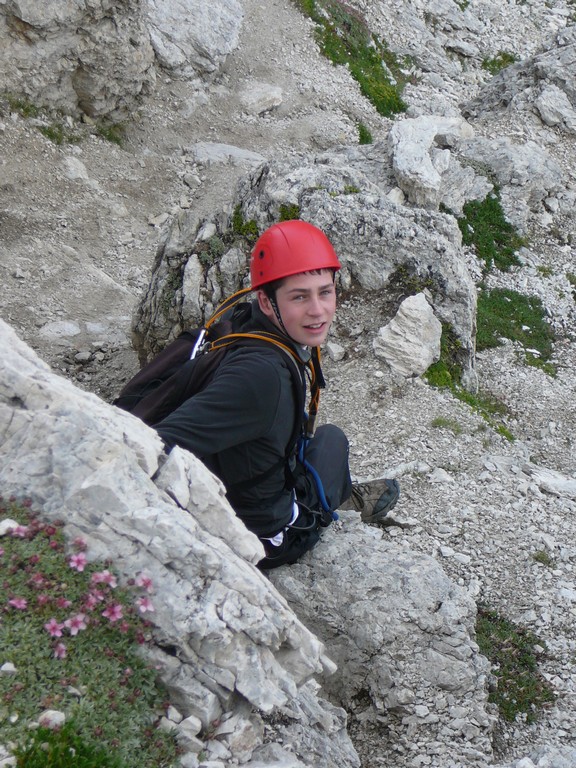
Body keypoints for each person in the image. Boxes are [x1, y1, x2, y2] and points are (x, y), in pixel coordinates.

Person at [154, 220, 399, 569]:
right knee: (332, 442)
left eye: (325, 292)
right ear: (267, 303)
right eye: (300, 296)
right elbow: (158, 442)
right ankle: (343, 502)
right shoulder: (261, 376)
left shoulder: (243, 323)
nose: (318, 310)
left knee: (323, 440)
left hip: (233, 484)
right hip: (263, 535)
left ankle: (335, 492)